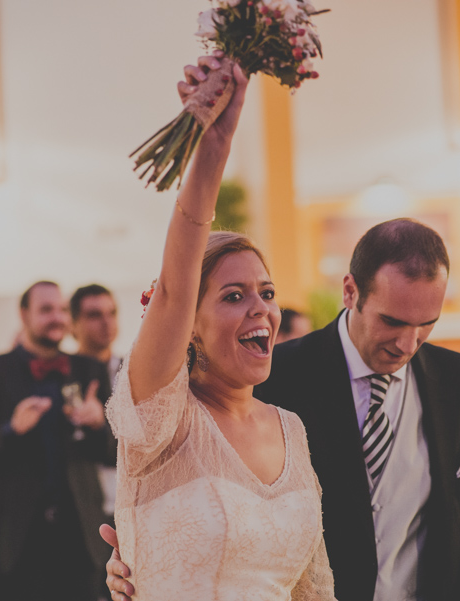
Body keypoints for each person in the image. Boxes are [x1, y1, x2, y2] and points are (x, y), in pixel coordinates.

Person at [106, 218, 460, 600]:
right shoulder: (272, 378)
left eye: (426, 325)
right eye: (392, 321)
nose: (407, 344)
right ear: (350, 292)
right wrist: (144, 562)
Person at [104, 53, 335, 600]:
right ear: (189, 325)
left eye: (268, 293)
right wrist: (214, 144)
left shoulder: (291, 430)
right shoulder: (163, 421)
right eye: (234, 296)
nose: (261, 309)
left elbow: (311, 587)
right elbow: (176, 288)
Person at [0, 280, 114, 601]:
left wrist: (98, 423)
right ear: (24, 315)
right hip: (12, 543)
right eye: (46, 309)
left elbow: (117, 453)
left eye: (63, 310)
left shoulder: (89, 370)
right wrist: (10, 430)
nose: (57, 317)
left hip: (79, 539)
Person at [70, 283, 122, 383]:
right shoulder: (62, 372)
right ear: (73, 324)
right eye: (95, 315)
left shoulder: (133, 370)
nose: (107, 322)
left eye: (112, 313)